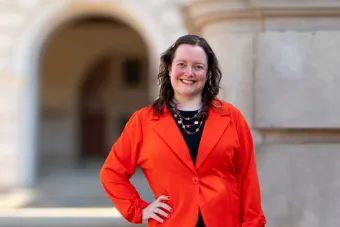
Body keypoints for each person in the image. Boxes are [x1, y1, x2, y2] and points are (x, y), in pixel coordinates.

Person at [99, 34, 266, 227]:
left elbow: (248, 178)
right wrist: (139, 209)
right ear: (169, 68)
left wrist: (254, 224)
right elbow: (111, 173)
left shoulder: (232, 117)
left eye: (198, 66)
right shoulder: (143, 121)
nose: (189, 73)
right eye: (182, 64)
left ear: (208, 72)